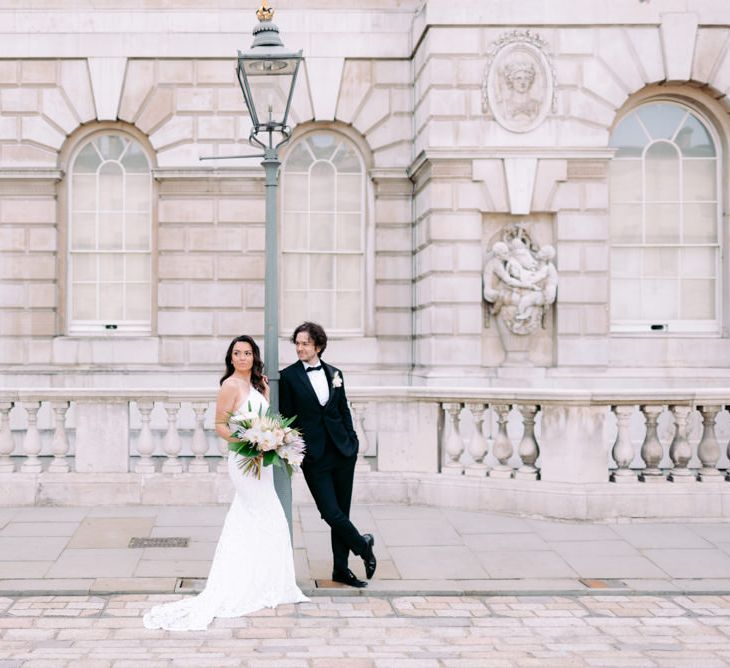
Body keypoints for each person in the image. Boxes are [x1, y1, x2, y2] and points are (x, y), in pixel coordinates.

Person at [143, 335, 308, 631]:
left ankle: (268, 581)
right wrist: (249, 440)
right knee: (257, 513)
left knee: (266, 516)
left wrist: (268, 434)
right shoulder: (229, 386)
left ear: (254, 356)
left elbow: (263, 418)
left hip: (263, 460)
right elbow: (220, 425)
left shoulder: (258, 385)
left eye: (247, 353)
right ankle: (239, 583)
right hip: (244, 461)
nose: (242, 357)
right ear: (230, 358)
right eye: (237, 353)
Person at [279, 322, 377, 588]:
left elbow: (342, 410)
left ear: (318, 346)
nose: (300, 348)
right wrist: (298, 450)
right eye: (297, 343)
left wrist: (353, 443)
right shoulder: (287, 377)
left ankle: (341, 570)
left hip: (343, 452)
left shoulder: (335, 373)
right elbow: (287, 418)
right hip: (314, 457)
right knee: (330, 512)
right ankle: (363, 545)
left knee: (341, 512)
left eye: (305, 343)